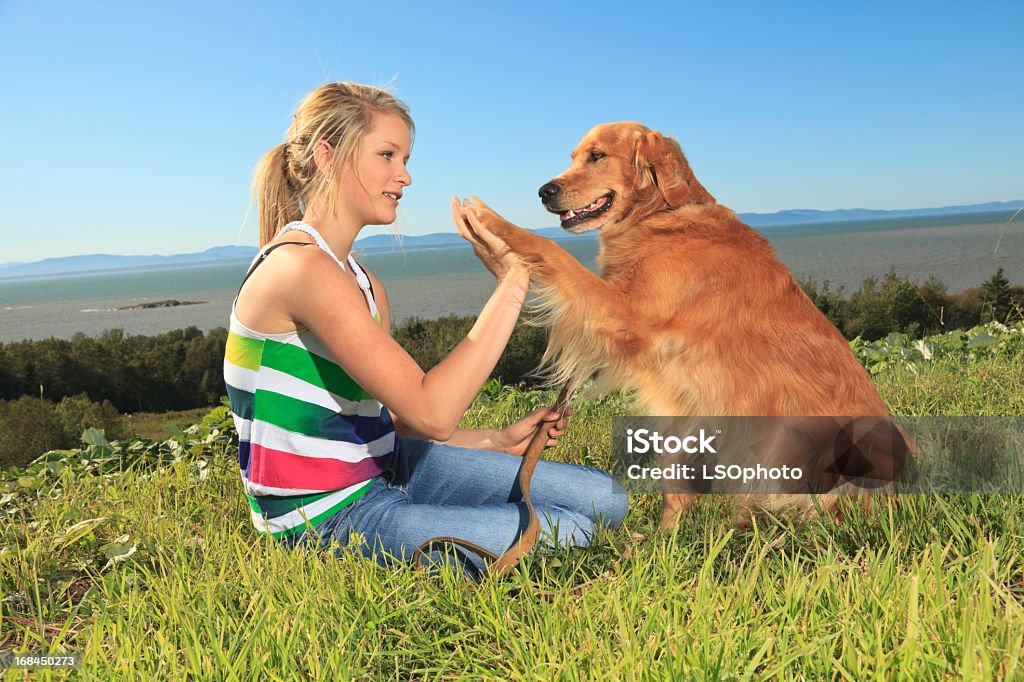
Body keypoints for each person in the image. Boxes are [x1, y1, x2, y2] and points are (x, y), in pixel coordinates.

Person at [223, 81, 627, 577]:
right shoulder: (300, 270)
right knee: (575, 529)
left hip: (388, 468)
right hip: (322, 521)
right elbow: (434, 413)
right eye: (387, 155)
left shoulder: (362, 282)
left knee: (606, 499)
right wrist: (512, 283)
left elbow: (398, 422)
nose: (405, 176)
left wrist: (497, 441)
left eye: (405, 158)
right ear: (327, 155)